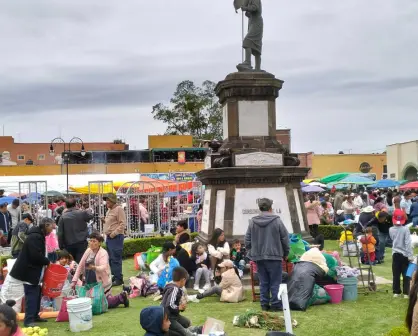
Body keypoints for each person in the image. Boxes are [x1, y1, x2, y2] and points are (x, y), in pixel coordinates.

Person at [245, 198, 289, 312]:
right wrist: (286, 252)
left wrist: (252, 251)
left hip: (259, 256)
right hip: (274, 255)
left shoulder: (252, 222)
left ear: (260, 208)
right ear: (270, 208)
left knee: (263, 281)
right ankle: (275, 303)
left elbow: (247, 240)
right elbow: (285, 238)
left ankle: (264, 303)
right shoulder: (277, 221)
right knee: (275, 281)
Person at [10, 217, 54, 327]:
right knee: (32, 295)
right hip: (29, 270)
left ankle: (34, 316)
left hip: (33, 270)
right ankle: (29, 320)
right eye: (51, 228)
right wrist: (47, 261)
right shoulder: (35, 237)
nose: (51, 231)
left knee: (37, 293)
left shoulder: (38, 235)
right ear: (46, 225)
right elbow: (35, 255)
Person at [71, 232, 129, 308]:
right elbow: (80, 266)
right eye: (90, 240)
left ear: (99, 243)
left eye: (94, 241)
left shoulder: (103, 253)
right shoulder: (88, 251)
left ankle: (121, 297)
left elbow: (103, 267)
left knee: (100, 304)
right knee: (88, 303)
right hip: (89, 282)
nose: (91, 243)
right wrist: (74, 281)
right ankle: (116, 297)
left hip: (101, 283)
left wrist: (94, 267)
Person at [161, 266, 201, 336]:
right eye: (186, 281)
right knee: (185, 333)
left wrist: (182, 306)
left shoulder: (176, 288)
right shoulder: (174, 289)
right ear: (183, 280)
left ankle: (198, 330)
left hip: (174, 315)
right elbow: (169, 305)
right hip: (168, 317)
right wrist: (179, 307)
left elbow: (176, 305)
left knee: (187, 322)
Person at [57, 198, 94, 263]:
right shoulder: (82, 213)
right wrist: (84, 210)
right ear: (75, 204)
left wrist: (60, 246)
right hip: (81, 243)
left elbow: (60, 233)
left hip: (68, 244)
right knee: (80, 263)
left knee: (70, 263)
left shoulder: (63, 216)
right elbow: (91, 216)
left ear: (65, 205)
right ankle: (80, 273)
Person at [102, 193, 126, 286]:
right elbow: (112, 222)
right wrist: (104, 221)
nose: (106, 202)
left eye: (108, 200)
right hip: (109, 237)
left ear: (112, 200)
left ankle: (119, 279)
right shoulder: (109, 210)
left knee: (115, 258)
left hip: (116, 237)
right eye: (106, 200)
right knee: (111, 258)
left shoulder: (119, 209)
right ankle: (115, 276)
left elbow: (122, 224)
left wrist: (113, 234)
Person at [390, 215, 413, 298]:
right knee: (406, 274)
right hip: (405, 254)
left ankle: (396, 292)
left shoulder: (391, 229)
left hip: (395, 253)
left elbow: (392, 239)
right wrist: (410, 255)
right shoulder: (405, 229)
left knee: (396, 274)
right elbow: (407, 243)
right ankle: (406, 292)